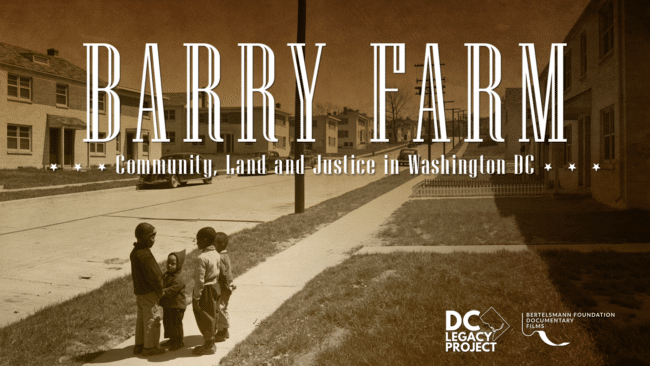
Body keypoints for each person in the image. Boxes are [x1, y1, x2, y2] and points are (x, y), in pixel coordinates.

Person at [130, 223, 165, 357]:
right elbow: (155, 276)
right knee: (152, 319)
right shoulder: (145, 255)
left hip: (140, 292)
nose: (154, 240)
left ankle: (140, 344)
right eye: (152, 237)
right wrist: (160, 290)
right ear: (145, 237)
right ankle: (150, 347)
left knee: (141, 319)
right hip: (149, 292)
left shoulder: (135, 252)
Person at [191, 227, 221, 355]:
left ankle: (208, 346)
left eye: (198, 240)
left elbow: (199, 281)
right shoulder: (216, 254)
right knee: (213, 313)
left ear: (204, 240)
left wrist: (197, 297)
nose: (196, 243)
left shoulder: (202, 258)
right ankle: (211, 342)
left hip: (206, 290)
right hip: (215, 287)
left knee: (204, 316)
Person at [159, 249, 187, 351]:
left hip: (177, 306)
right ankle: (172, 339)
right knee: (168, 322)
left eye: (173, 264)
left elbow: (172, 290)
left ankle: (179, 341)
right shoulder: (167, 275)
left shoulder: (178, 278)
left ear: (178, 265)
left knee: (176, 324)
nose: (170, 265)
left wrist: (162, 292)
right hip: (169, 305)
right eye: (168, 263)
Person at [214, 232, 236, 342]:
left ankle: (222, 331)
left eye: (214, 244)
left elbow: (222, 273)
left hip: (224, 286)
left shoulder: (220, 257)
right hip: (228, 284)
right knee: (223, 307)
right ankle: (224, 329)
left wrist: (225, 285)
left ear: (219, 244)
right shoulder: (226, 255)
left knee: (220, 308)